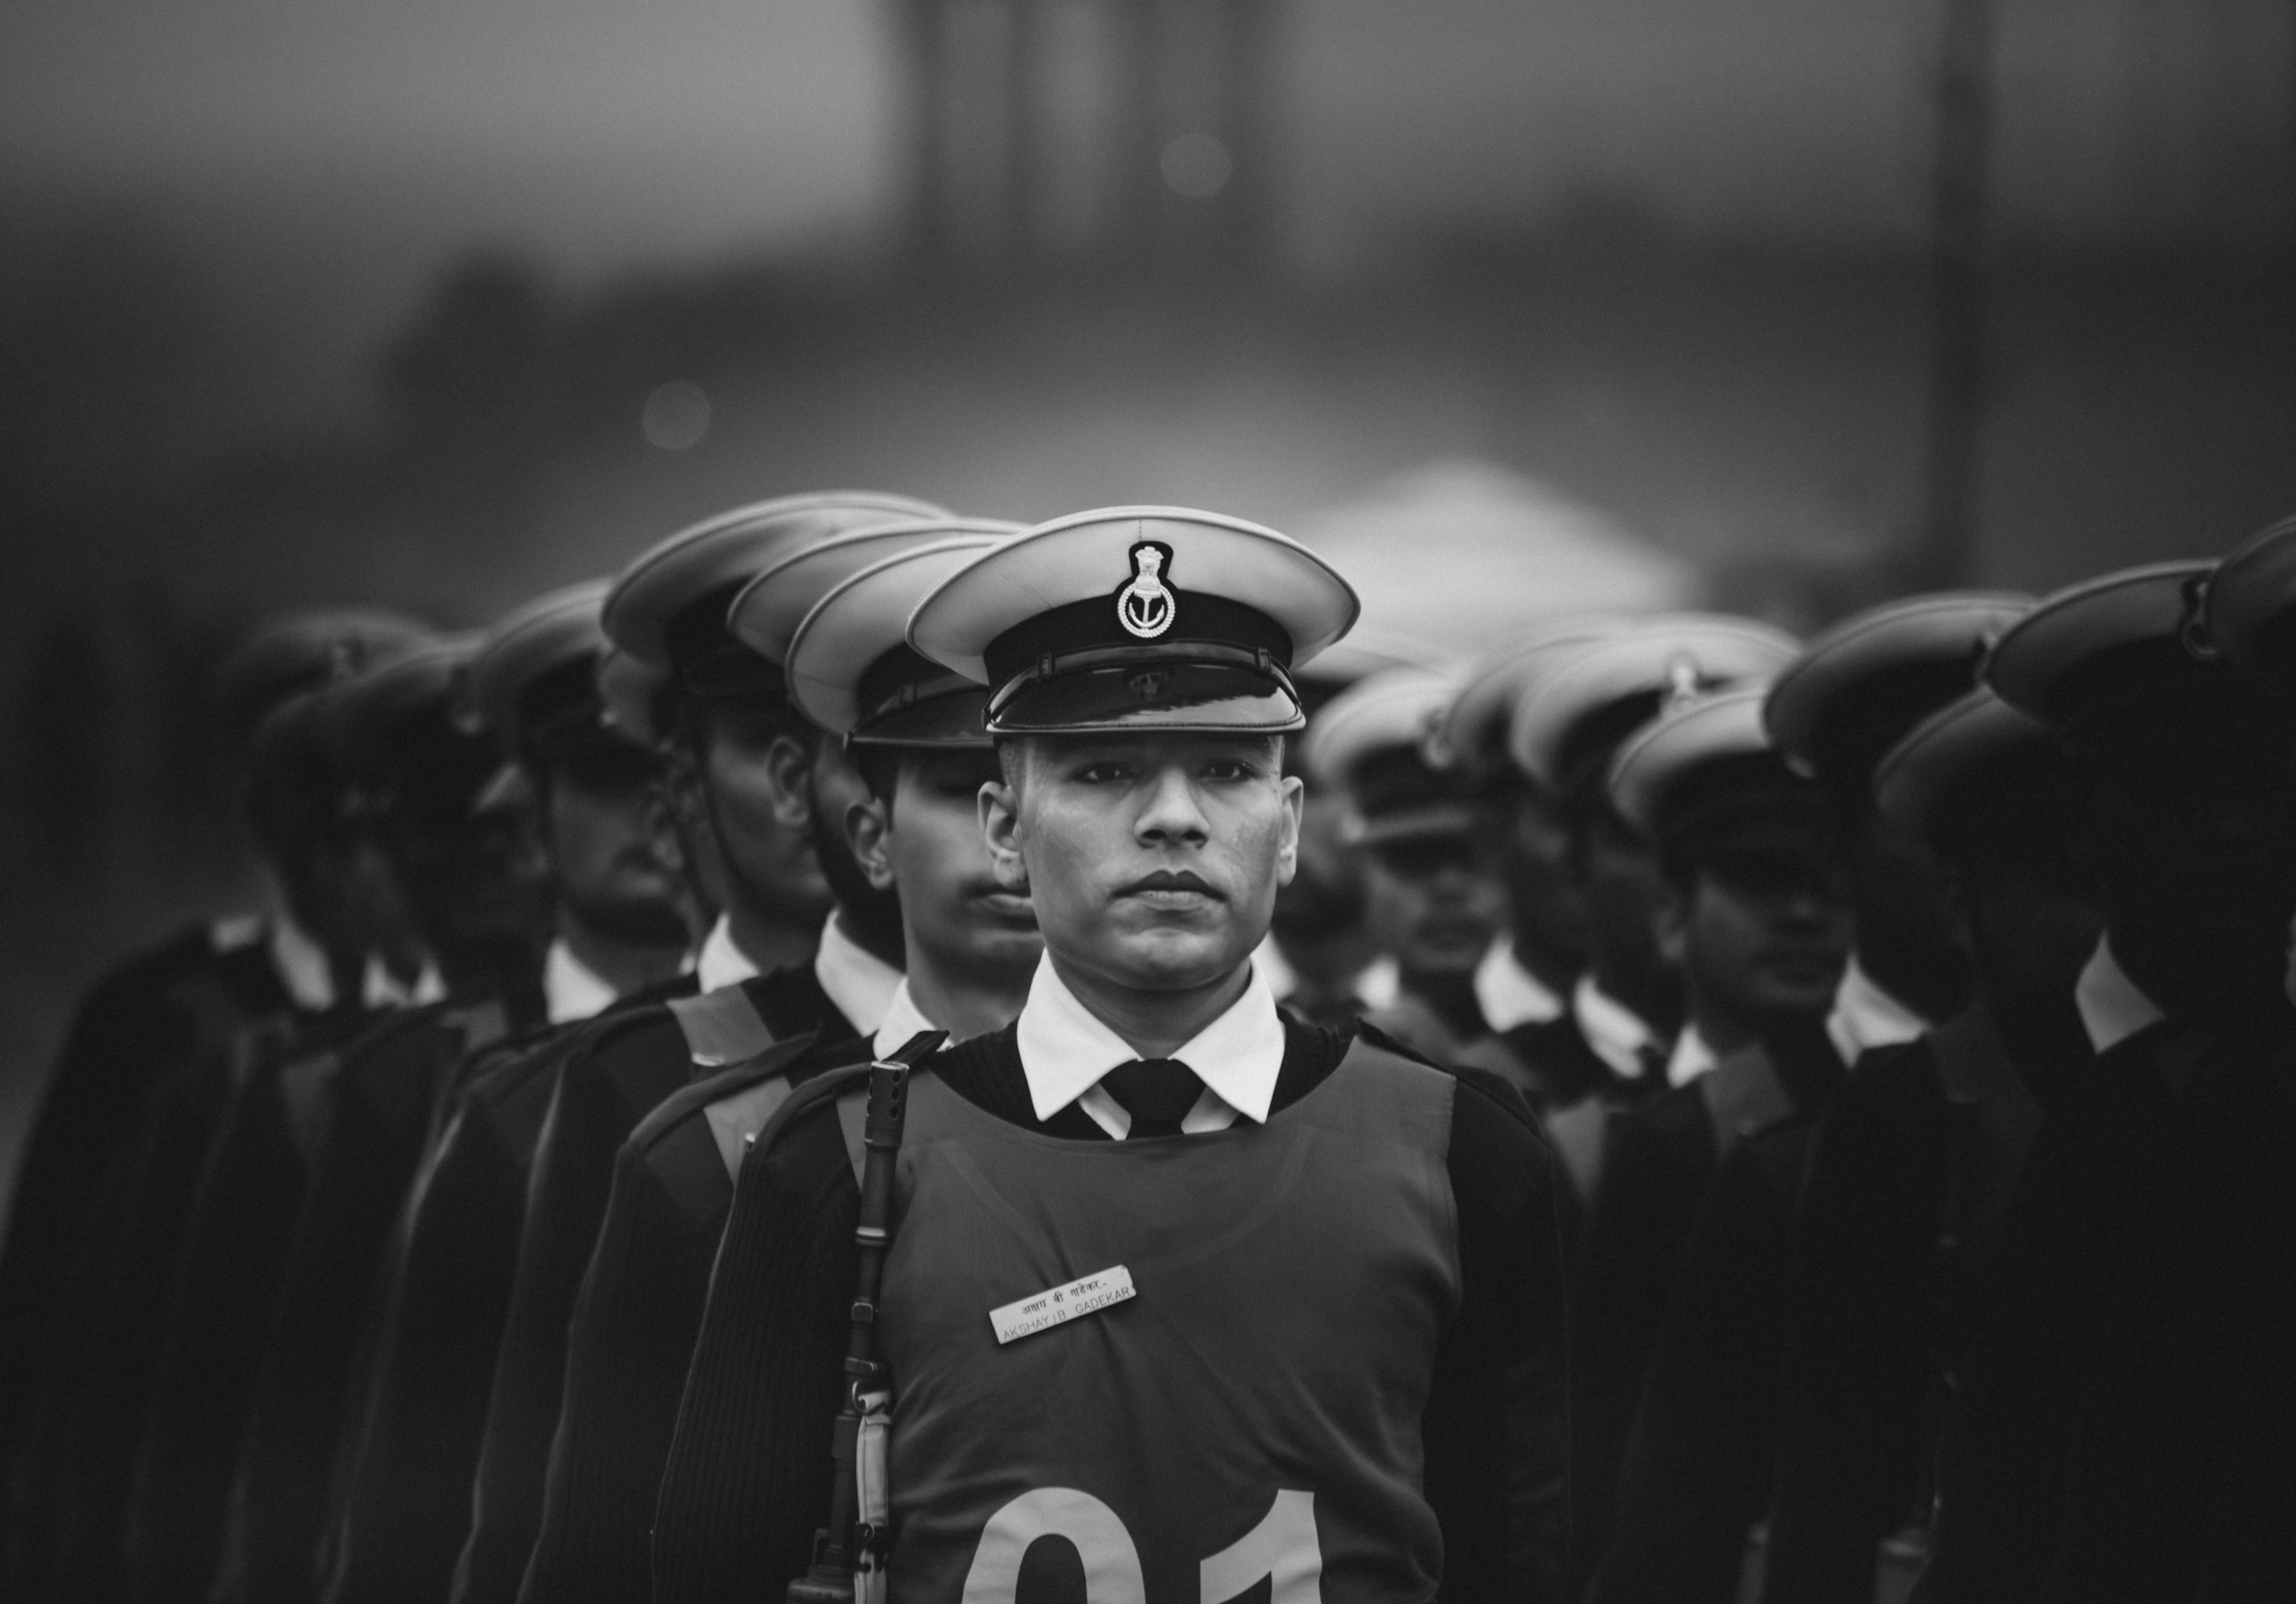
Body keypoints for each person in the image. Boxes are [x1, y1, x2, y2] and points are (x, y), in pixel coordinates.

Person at [650, 506, 1570, 1604]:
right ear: (1003, 828)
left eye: (1226, 771)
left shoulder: (1460, 1155)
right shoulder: (839, 1168)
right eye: (1101, 772)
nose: (1173, 818)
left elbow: (1519, 1565)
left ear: (1286, 825)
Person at [444, 490, 948, 1604]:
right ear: (698, 778)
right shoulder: (606, 1096)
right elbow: (531, 1530)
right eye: (787, 739)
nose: (851, 776)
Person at [531, 525, 1038, 1604]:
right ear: (864, 821)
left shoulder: (1216, 1115)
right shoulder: (709, 1129)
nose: (1016, 833)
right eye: (960, 786)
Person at [0, 610, 430, 1603]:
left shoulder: (512, 1010)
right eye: (312, 796)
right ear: (260, 811)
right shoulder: (158, 1021)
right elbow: (47, 1320)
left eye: (378, 793)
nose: (349, 832)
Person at [1917, 560, 2296, 1602]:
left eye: (2250, 788)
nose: (2224, 831)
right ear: (2090, 819)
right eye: (2173, 787)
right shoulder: (2158, 1112)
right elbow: (2051, 1502)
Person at [314, 579, 692, 1604]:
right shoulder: (437, 1090)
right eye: (609, 777)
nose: (652, 810)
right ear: (528, 817)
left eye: (669, 772)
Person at [211, 636, 552, 1604]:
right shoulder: (345, 1092)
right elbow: (269, 1440)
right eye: (448, 822)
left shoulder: (631, 1063)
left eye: (507, 819)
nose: (491, 854)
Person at [1760, 683, 2099, 1604]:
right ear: (1964, 895)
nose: (2093, 921)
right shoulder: (1903, 1110)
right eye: (2062, 874)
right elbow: (1822, 1482)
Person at [1579, 684, 1857, 1604]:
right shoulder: (1638, 1142)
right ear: (1670, 908)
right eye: (1758, 878)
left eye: (1826, 882)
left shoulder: (1894, 1106)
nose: (1803, 915)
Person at [1761, 593, 2035, 1068]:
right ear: (1835, 856)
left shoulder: (2125, 1077)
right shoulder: (1745, 1116)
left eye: (2012, 818)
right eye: (1930, 819)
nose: (1976, 852)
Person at [1302, 666, 1507, 1061]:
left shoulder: (1586, 1049)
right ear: (1363, 869)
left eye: (1472, 857)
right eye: (1413, 859)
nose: (1449, 887)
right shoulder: (1323, 1050)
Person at [1441, 617, 1632, 1036]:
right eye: (1567, 821)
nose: (1594, 855)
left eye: (1625, 829)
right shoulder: (1433, 1054)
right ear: (1493, 835)